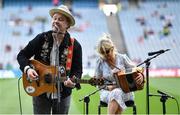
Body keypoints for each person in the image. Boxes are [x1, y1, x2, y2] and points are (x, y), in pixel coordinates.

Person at [17, 5, 82, 114]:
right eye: (54, 18)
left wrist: (73, 80)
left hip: (63, 93)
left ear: (67, 25)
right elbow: (22, 55)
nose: (55, 21)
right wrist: (28, 69)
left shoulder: (75, 45)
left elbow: (78, 70)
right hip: (40, 92)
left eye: (60, 19)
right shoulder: (41, 38)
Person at [94, 33, 144, 114]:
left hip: (126, 91)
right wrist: (108, 88)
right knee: (116, 93)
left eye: (107, 51)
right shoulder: (100, 62)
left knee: (117, 93)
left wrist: (141, 76)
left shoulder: (122, 58)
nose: (105, 55)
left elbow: (136, 70)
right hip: (106, 92)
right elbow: (97, 83)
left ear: (112, 48)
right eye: (102, 53)